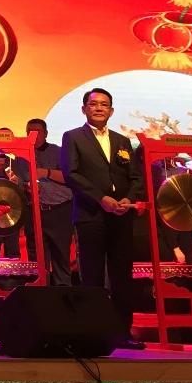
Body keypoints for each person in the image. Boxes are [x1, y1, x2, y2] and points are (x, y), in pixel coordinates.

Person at [60, 88, 146, 349]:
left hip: (121, 214)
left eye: (104, 104)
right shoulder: (73, 137)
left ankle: (122, 332)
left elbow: (135, 177)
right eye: (93, 104)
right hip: (91, 214)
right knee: (92, 275)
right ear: (84, 108)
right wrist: (101, 198)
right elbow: (71, 174)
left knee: (122, 275)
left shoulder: (122, 141)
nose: (98, 108)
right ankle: (93, 332)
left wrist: (127, 199)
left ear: (111, 110)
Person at [27, 118, 75, 285]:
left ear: (46, 133)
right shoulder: (20, 157)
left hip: (59, 210)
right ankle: (40, 292)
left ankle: (63, 293)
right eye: (29, 131)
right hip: (34, 212)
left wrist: (46, 172)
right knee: (36, 260)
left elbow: (70, 177)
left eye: (37, 131)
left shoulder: (58, 151)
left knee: (61, 255)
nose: (33, 135)